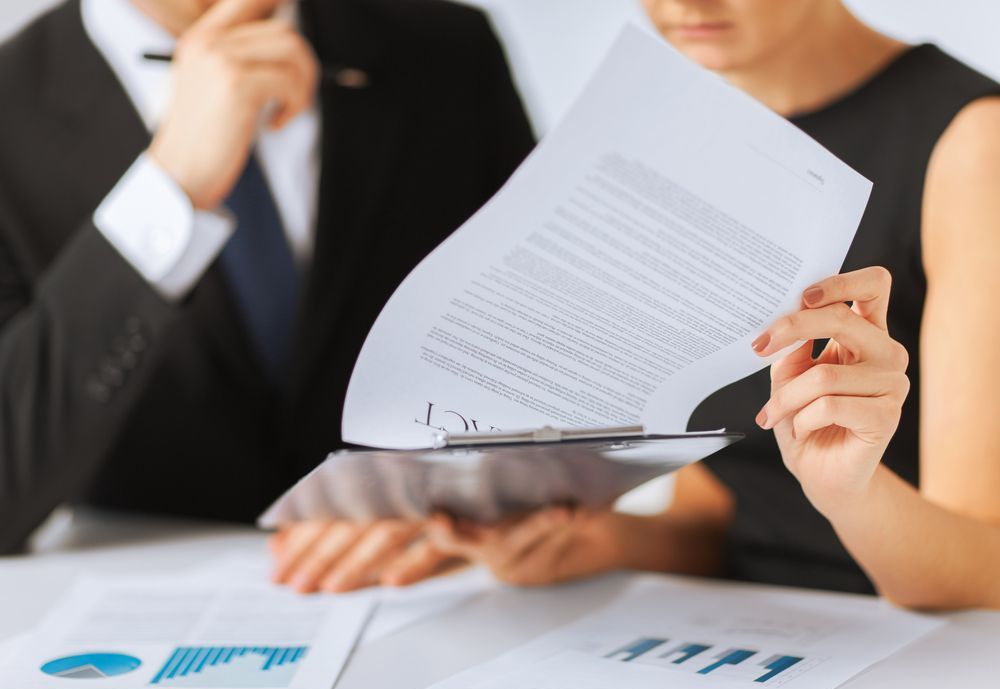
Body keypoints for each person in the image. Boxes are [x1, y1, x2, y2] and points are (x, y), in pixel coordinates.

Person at [276, 0, 1000, 608]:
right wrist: (599, 541)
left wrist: (850, 495)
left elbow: (981, 572)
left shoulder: (973, 144)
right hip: (738, 631)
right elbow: (726, 511)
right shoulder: (702, 127)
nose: (685, 5)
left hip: (905, 643)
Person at [0, 0, 534, 555]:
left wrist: (459, 510)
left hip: (439, 583)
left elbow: (539, 346)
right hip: (150, 596)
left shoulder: (448, 47)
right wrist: (170, 188)